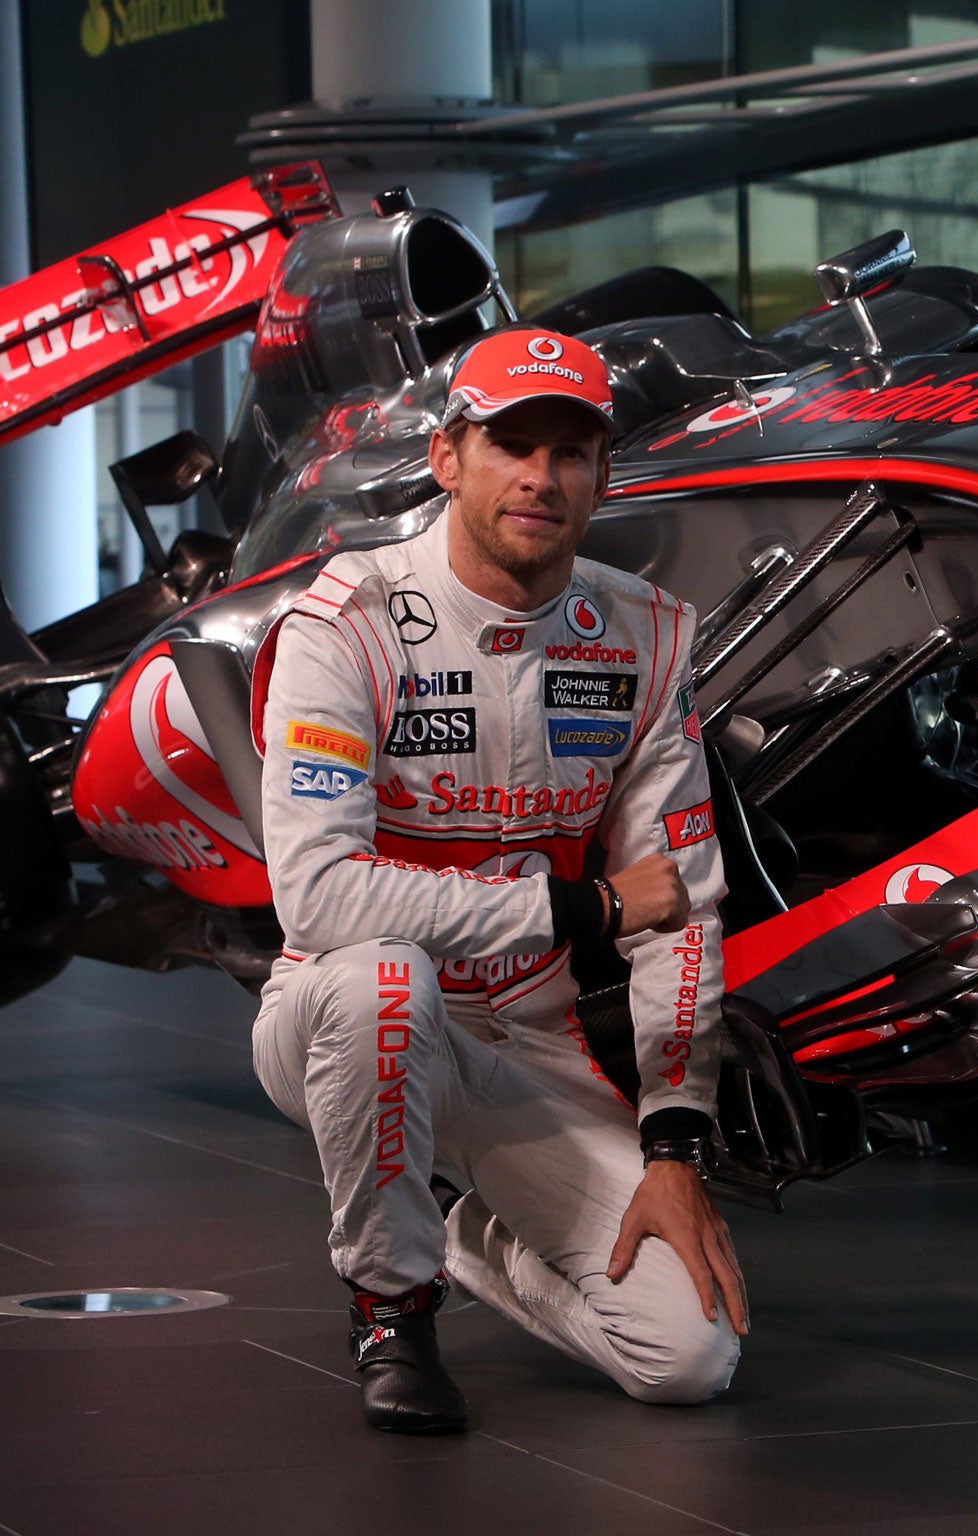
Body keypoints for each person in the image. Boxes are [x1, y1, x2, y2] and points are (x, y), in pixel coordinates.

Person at [250, 326, 746, 1433]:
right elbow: (320, 899)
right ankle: (391, 1304)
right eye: (510, 444)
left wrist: (674, 1140)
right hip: (337, 1009)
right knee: (386, 979)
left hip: (525, 1038)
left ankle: (460, 1230)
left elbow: (685, 908)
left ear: (603, 474)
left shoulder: (645, 636)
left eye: (571, 452)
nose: (540, 476)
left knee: (689, 1356)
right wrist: (581, 908)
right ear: (447, 457)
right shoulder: (348, 623)